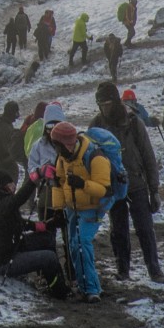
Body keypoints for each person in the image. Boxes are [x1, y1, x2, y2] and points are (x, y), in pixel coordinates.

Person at [44, 118, 124, 300]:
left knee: (81, 243)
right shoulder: (63, 157)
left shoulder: (96, 157)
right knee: (74, 245)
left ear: (66, 143)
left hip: (93, 207)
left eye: (57, 145)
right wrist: (58, 209)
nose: (56, 149)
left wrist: (82, 184)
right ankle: (84, 286)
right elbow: (59, 182)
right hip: (73, 207)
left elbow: (105, 189)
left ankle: (91, 290)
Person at [95, 82, 164, 282]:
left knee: (145, 228)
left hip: (136, 183)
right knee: (118, 230)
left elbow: (148, 156)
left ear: (116, 102)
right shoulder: (97, 125)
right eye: (100, 104)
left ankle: (154, 269)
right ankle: (122, 269)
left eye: (107, 103)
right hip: (112, 187)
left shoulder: (134, 122)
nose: (104, 108)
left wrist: (155, 189)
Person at [0, 169, 67, 298]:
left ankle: (48, 278)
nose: (13, 186)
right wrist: (34, 179)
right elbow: (17, 200)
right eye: (10, 184)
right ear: (1, 187)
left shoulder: (0, 201)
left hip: (13, 246)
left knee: (47, 238)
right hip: (3, 262)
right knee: (49, 257)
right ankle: (59, 292)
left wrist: (45, 225)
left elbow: (18, 223)